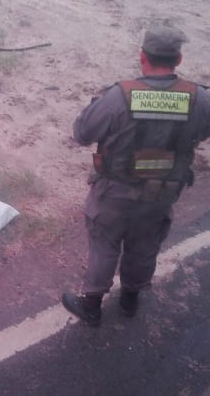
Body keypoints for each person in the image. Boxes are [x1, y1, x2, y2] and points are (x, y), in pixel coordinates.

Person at [62, 25, 210, 326]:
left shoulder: (118, 97)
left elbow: (82, 134)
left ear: (142, 57)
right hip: (161, 192)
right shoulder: (200, 99)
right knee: (144, 244)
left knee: (105, 244)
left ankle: (91, 305)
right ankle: (130, 298)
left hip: (115, 191)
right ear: (178, 59)